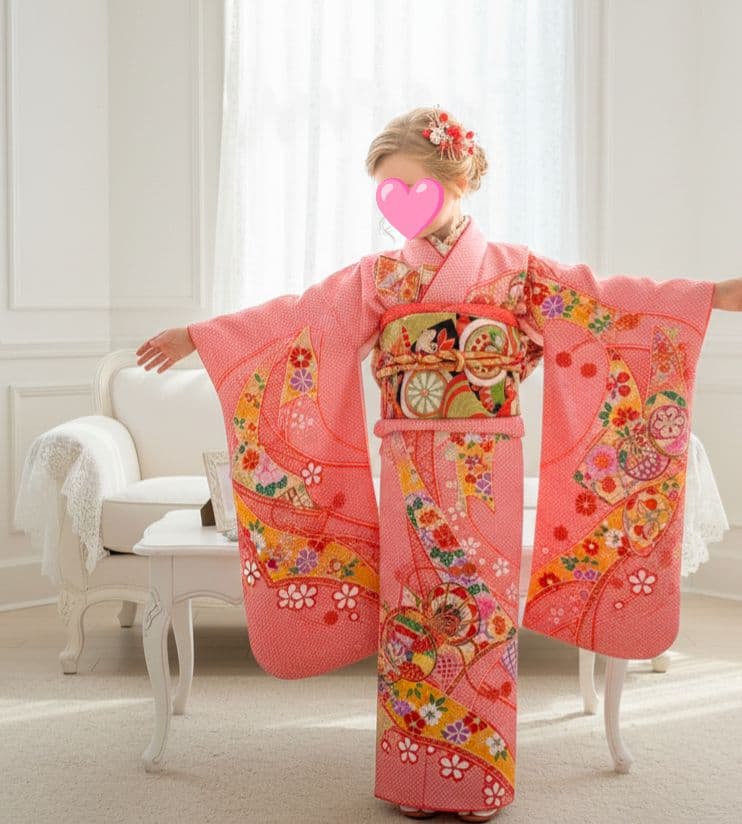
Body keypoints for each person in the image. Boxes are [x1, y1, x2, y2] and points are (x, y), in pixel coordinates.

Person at [136, 106, 742, 821]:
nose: (400, 207)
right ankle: (414, 780)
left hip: (488, 461)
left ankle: (478, 779)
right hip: (408, 460)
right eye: (387, 193)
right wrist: (200, 336)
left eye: (412, 188)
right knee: (414, 610)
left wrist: (710, 297)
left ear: (457, 180)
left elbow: (605, 304)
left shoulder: (517, 272)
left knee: (480, 612)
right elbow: (302, 318)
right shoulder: (381, 276)